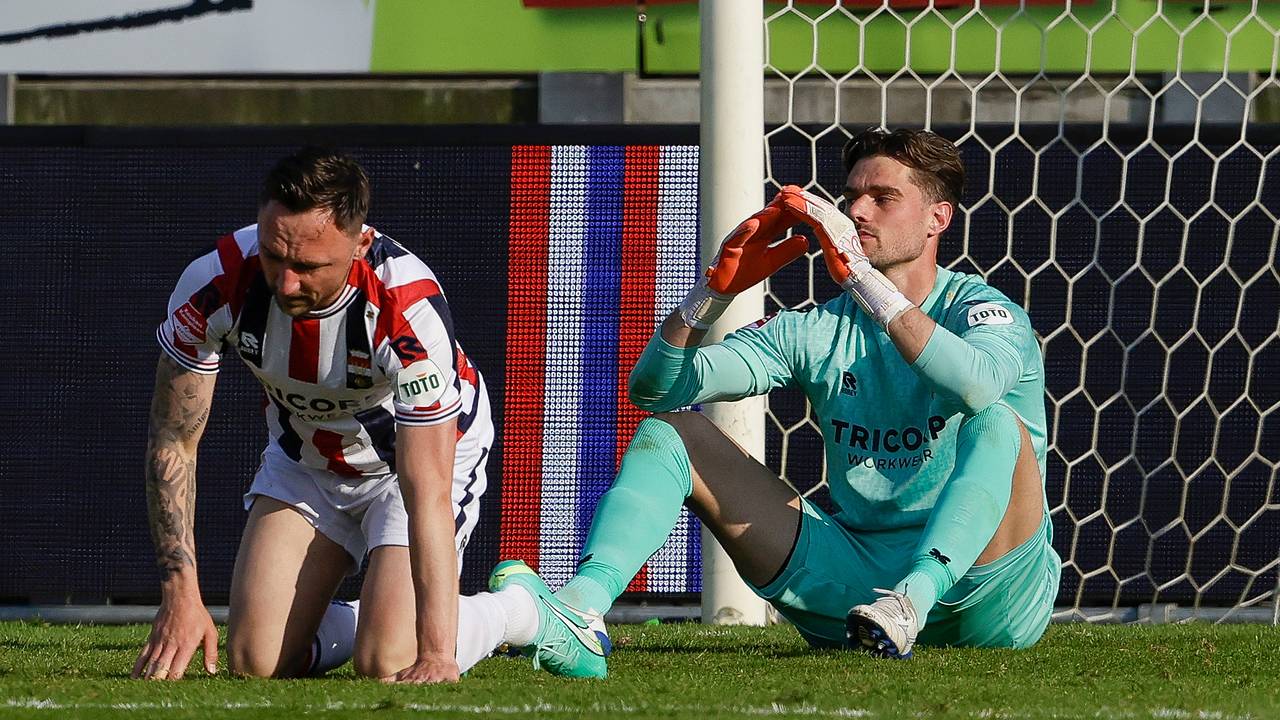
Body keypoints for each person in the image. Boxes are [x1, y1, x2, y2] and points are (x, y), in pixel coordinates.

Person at [491, 128, 1062, 678]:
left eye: (884, 197)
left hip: (990, 592)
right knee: (673, 433)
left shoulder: (983, 310)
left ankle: (912, 602)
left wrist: (864, 281)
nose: (858, 212)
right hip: (855, 594)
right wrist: (711, 294)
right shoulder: (813, 330)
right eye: (852, 197)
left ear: (939, 217)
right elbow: (656, 390)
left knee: (995, 420)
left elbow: (976, 386)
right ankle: (579, 612)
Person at [134, 147, 538, 683]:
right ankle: (374, 619)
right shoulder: (216, 282)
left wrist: (438, 653)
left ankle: (522, 611)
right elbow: (173, 443)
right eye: (276, 256)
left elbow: (427, 489)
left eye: (309, 266)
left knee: (391, 661)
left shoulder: (406, 309)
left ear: (360, 243)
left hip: (409, 471)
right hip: (308, 464)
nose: (287, 283)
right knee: (255, 662)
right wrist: (180, 597)